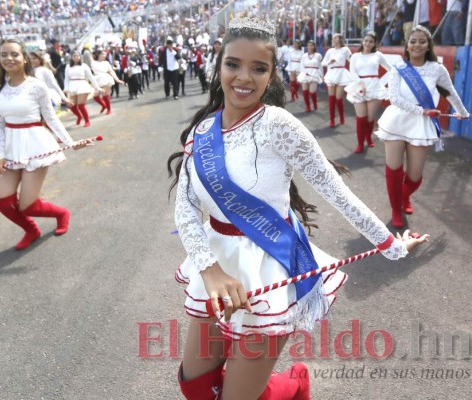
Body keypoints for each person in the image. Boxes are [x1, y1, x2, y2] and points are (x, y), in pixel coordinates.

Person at [167, 17, 428, 400]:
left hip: (271, 263)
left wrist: (391, 245)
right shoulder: (202, 131)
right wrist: (209, 268)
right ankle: (294, 385)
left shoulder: (279, 125)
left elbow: (336, 192)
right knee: (197, 389)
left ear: (272, 75)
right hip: (216, 263)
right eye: (233, 64)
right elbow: (186, 206)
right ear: (218, 65)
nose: (244, 77)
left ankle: (294, 383)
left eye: (259, 68)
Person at [0, 39, 91, 251]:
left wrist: (70, 142)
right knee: (2, 202)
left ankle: (61, 213)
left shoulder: (36, 86)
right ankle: (31, 230)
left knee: (27, 205)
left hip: (36, 146)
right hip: (10, 148)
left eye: (14, 54)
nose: (9, 58)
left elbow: (51, 118)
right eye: (4, 54)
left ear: (24, 57)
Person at [375, 26, 469, 229]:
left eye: (422, 41)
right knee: (394, 168)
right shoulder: (399, 69)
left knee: (415, 176)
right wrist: (422, 111)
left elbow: (449, 92)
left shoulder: (437, 69)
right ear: (407, 45)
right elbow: (395, 98)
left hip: (421, 124)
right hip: (398, 120)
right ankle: (395, 209)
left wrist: (462, 111)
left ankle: (403, 196)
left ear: (428, 46)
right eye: (413, 41)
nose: (417, 44)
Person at [345, 32, 391, 153]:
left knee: (370, 118)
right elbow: (352, 72)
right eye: (366, 40)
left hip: (375, 88)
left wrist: (386, 83)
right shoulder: (355, 56)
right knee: (361, 118)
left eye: (371, 41)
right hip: (359, 87)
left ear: (374, 43)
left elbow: (390, 69)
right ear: (362, 41)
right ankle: (360, 143)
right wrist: (360, 82)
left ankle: (368, 137)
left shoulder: (378, 55)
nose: (367, 43)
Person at [322, 34, 354, 127]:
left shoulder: (345, 50)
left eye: (336, 38)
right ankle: (332, 120)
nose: (334, 39)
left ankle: (341, 117)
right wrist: (329, 62)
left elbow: (352, 61)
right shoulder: (330, 50)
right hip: (331, 74)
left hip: (341, 74)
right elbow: (323, 62)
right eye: (333, 38)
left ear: (340, 39)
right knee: (331, 99)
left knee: (338, 99)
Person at [64, 50, 101, 127]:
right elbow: (66, 78)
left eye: (77, 56)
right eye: (74, 56)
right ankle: (79, 116)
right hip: (72, 85)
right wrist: (66, 88)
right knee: (72, 106)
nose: (76, 57)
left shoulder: (84, 66)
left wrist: (97, 87)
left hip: (82, 85)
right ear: (71, 57)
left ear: (80, 57)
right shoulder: (68, 67)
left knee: (81, 105)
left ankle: (87, 120)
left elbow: (91, 77)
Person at [91, 50, 125, 114]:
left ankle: (109, 109)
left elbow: (111, 71)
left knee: (105, 94)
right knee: (95, 96)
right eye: (103, 54)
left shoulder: (106, 63)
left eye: (105, 54)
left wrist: (117, 80)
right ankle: (104, 106)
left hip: (105, 79)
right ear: (99, 55)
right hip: (97, 79)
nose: (105, 55)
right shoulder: (93, 62)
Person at [297, 40, 323, 113]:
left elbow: (320, 66)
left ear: (314, 46)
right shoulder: (304, 55)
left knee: (312, 92)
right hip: (305, 74)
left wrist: (322, 75)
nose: (310, 47)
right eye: (308, 45)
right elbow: (301, 65)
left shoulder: (318, 55)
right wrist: (305, 72)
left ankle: (314, 103)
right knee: (305, 91)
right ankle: (307, 106)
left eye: (312, 45)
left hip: (314, 74)